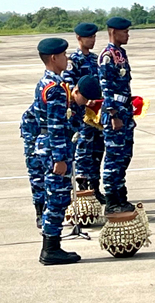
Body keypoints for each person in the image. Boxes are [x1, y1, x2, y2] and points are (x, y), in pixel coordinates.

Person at [32, 38, 99, 265]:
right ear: (54, 58)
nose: (66, 59)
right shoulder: (57, 89)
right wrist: (60, 158)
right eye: (63, 55)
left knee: (55, 197)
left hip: (46, 147)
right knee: (58, 199)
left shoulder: (46, 83)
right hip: (54, 150)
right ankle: (50, 249)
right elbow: (56, 125)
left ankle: (52, 246)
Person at [62, 22, 105, 204]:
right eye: (89, 37)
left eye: (94, 37)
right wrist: (85, 99)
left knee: (97, 151)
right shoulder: (74, 61)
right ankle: (83, 189)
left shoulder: (96, 59)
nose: (92, 40)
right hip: (82, 116)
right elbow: (69, 86)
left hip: (97, 114)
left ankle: (95, 187)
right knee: (83, 152)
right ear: (79, 38)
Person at [99, 17, 136, 214]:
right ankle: (112, 199)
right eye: (125, 32)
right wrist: (113, 115)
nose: (127, 35)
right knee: (114, 157)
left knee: (124, 156)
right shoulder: (107, 56)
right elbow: (106, 88)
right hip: (116, 114)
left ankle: (121, 194)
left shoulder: (120, 54)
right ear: (113, 32)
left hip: (125, 112)